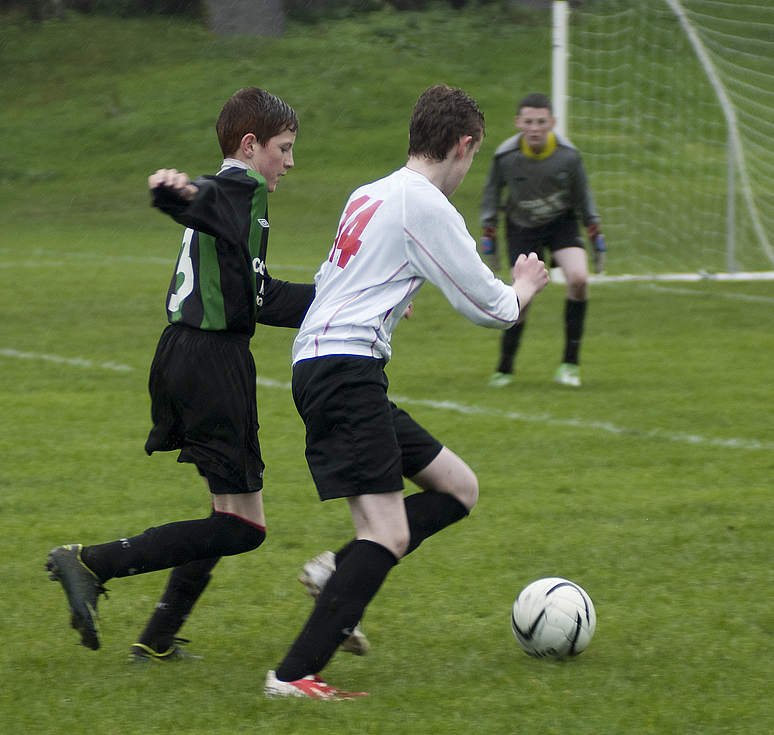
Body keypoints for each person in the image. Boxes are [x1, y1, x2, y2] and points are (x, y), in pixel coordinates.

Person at [263, 84, 549, 700]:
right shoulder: (424, 203)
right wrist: (525, 283)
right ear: (464, 145)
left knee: (458, 487)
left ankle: (337, 571)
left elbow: (332, 279)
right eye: (471, 158)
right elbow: (494, 309)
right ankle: (294, 677)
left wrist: (389, 301)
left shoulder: (370, 191)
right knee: (387, 533)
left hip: (330, 364)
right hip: (345, 371)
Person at [45, 87, 315, 661]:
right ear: (251, 145)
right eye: (284, 149)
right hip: (213, 363)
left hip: (184, 354)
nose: (290, 163)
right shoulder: (240, 188)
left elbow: (261, 298)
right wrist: (180, 195)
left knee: (225, 514)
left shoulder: (238, 196)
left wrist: (350, 298)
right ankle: (93, 561)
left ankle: (158, 639)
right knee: (245, 527)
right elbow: (207, 200)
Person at [479, 92, 603, 388]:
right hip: (522, 227)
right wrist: (489, 231)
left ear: (553, 123)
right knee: (523, 297)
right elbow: (491, 194)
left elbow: (583, 194)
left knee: (579, 278)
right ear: (518, 123)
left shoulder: (568, 155)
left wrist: (593, 228)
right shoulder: (506, 157)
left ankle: (570, 365)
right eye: (529, 122)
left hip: (561, 222)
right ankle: (504, 368)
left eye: (541, 122)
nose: (535, 128)